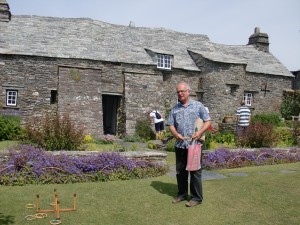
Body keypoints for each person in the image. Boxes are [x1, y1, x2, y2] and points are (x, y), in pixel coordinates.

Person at [166, 82, 212, 207]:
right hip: (180, 145)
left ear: (188, 92)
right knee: (180, 172)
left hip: (195, 145)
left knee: (195, 172)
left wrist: (200, 133)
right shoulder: (175, 109)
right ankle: (182, 194)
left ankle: (197, 198)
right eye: (178, 92)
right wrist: (176, 135)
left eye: (182, 91)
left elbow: (207, 121)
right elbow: (170, 124)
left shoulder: (198, 106)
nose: (180, 94)